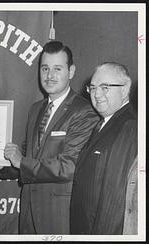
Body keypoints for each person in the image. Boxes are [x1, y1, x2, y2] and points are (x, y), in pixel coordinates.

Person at [0, 41, 99, 234]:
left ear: (71, 71)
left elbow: (69, 166)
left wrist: (21, 162)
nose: (50, 76)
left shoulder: (84, 112)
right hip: (28, 212)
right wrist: (1, 164)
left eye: (57, 69)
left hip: (58, 215)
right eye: (45, 69)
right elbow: (27, 157)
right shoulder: (36, 109)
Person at [70, 62, 137, 234]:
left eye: (105, 87)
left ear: (124, 89)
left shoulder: (128, 127)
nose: (96, 94)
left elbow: (114, 200)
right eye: (92, 88)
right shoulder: (103, 124)